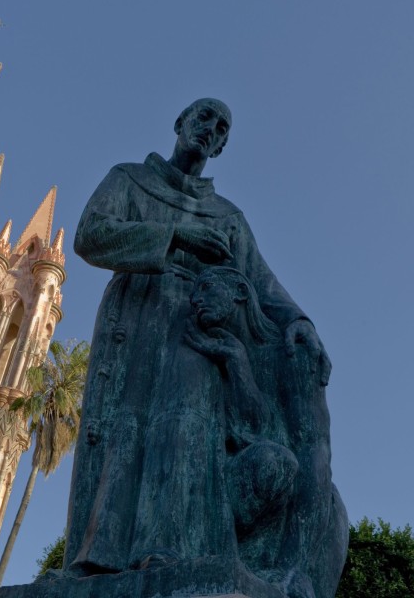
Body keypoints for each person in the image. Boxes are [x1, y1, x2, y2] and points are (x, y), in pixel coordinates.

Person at [64, 98, 333, 579]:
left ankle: (171, 551)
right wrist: (176, 236)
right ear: (180, 122)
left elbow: (263, 283)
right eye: (204, 117)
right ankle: (98, 557)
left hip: (197, 330)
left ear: (222, 146)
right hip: (137, 318)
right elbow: (91, 235)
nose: (211, 129)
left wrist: (299, 321)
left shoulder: (227, 216)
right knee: (123, 430)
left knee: (185, 430)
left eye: (222, 127)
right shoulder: (128, 179)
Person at [184, 267, 347, 598]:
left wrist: (295, 566)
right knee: (272, 462)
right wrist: (236, 361)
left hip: (278, 495)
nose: (196, 299)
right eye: (194, 293)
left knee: (332, 504)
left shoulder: (292, 354)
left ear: (241, 292)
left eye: (207, 287)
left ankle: (291, 579)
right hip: (221, 494)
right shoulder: (208, 347)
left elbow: (314, 453)